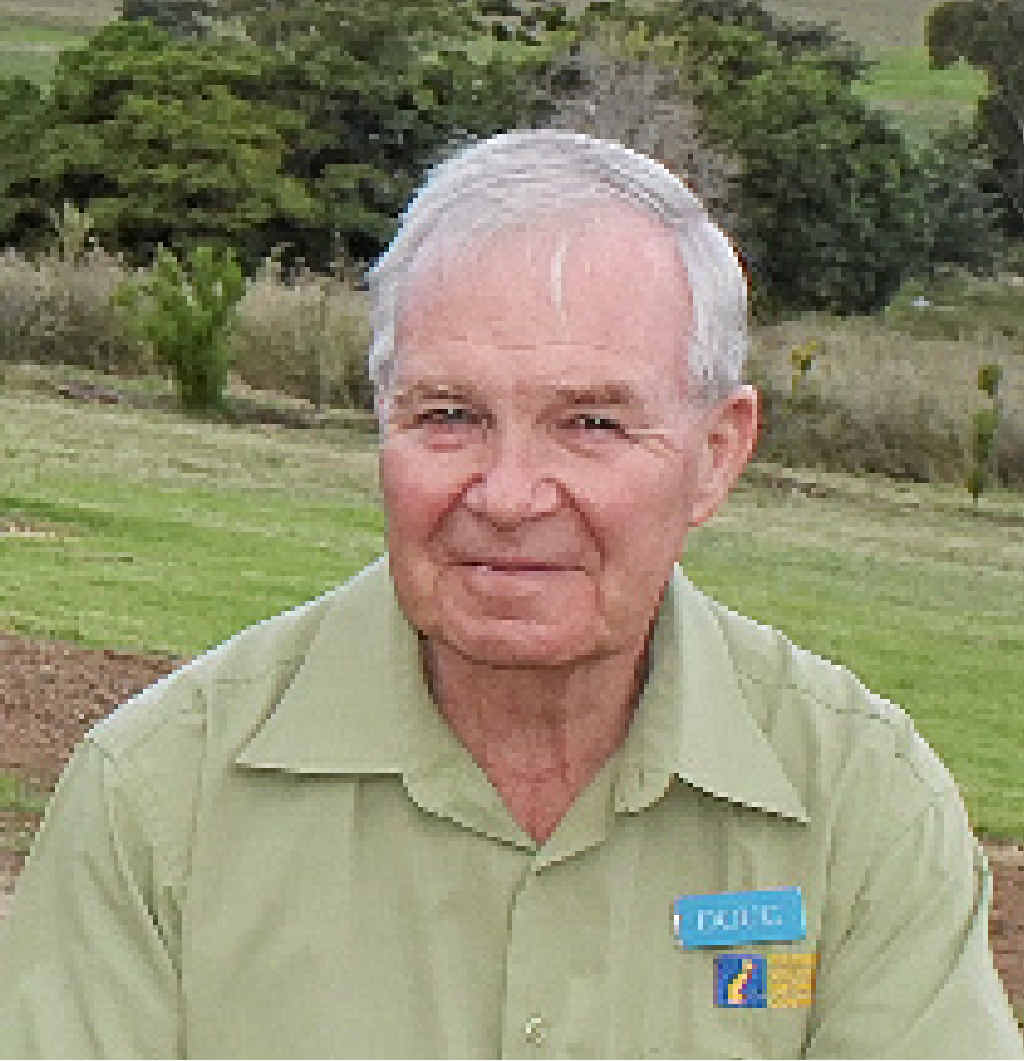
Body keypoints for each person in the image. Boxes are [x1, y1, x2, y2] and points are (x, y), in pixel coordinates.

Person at [0, 129, 1020, 1059]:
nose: (507, 494)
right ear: (380, 424)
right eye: (449, 414)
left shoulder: (862, 808)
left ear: (716, 455)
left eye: (590, 424)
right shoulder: (157, 799)